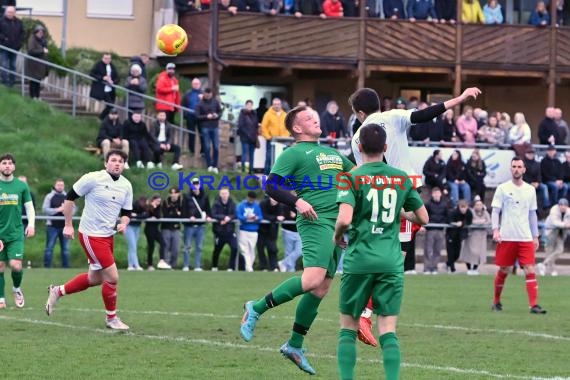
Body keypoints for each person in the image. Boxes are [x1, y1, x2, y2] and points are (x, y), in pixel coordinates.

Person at [348, 86, 481, 347]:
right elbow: (426, 114)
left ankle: (365, 309)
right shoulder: (395, 115)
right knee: (395, 260)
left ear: (360, 113)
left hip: (387, 196)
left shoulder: (357, 138)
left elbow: (368, 173)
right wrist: (460, 98)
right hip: (406, 191)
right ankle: (363, 312)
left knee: (395, 257)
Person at [240, 106, 354, 375]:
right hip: (315, 220)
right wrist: (297, 201)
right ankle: (255, 307)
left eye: (316, 116)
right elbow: (271, 184)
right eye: (309, 117)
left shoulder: (333, 153)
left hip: (335, 224)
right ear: (297, 128)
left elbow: (358, 175)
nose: (316, 119)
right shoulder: (293, 152)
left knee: (320, 289)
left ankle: (294, 345)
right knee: (313, 279)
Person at [333, 124, 428, 380]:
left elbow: (343, 220)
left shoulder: (351, 177)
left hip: (359, 260)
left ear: (360, 147)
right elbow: (423, 217)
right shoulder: (400, 178)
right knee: (387, 328)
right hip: (391, 261)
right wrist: (397, 210)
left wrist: (337, 236)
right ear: (385, 148)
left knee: (348, 327)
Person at [45, 150, 133, 330]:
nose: (117, 164)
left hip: (108, 236)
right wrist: (68, 225)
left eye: (121, 161)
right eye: (113, 160)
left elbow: (126, 212)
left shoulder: (126, 185)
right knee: (113, 277)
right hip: (91, 235)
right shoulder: (93, 178)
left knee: (95, 278)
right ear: (106, 163)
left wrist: (124, 223)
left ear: (124, 165)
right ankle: (111, 319)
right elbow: (70, 198)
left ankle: (58, 291)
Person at [491, 157, 546, 314]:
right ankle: (496, 301)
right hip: (507, 236)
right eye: (514, 166)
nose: (516, 169)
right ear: (511, 169)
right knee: (505, 269)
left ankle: (533, 305)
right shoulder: (502, 188)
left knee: (529, 269)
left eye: (519, 166)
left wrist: (535, 236)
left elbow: (532, 214)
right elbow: (496, 210)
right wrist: (495, 230)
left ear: (524, 169)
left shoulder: (530, 190)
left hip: (525, 237)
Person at [0, 153, 35, 309]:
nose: (7, 165)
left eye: (9, 163)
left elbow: (29, 207)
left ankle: (16, 289)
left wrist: (31, 224)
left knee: (16, 266)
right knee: (0, 266)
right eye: (4, 163)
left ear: (14, 166)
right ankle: (1, 299)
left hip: (15, 234)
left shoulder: (21, 186)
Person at [42, 178, 74, 268]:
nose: (60, 187)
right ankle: (47, 267)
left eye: (62, 185)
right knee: (49, 248)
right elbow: (45, 209)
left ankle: (66, 267)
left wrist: (66, 210)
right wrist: (58, 210)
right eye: (58, 185)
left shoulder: (68, 196)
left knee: (66, 249)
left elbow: (73, 209)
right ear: (55, 186)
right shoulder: (49, 196)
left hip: (65, 227)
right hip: (52, 226)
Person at [182, 177, 211, 271]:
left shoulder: (205, 196)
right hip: (189, 226)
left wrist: (208, 216)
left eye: (197, 184)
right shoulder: (187, 196)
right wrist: (189, 216)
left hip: (200, 225)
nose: (196, 186)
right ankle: (186, 265)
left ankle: (197, 266)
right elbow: (184, 210)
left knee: (199, 246)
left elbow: (208, 209)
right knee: (187, 246)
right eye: (194, 184)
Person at [537, 198, 570, 276]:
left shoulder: (569, 211)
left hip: (562, 232)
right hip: (551, 230)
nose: (562, 207)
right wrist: (565, 224)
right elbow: (555, 223)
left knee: (559, 250)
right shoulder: (554, 210)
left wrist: (566, 225)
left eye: (564, 205)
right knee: (549, 250)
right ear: (558, 205)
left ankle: (542, 264)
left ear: (567, 206)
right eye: (561, 205)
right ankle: (551, 270)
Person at [236, 191, 263, 272]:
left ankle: (249, 266)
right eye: (250, 199)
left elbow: (261, 216)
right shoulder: (241, 205)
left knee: (252, 250)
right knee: (245, 250)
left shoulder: (256, 205)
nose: (251, 201)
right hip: (243, 230)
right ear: (247, 197)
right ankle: (249, 268)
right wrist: (247, 218)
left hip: (254, 231)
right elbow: (239, 215)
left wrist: (256, 218)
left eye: (253, 199)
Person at [89, 53, 119, 121]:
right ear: (102, 58)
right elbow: (92, 74)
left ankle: (104, 119)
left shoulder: (112, 66)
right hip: (102, 89)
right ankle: (101, 118)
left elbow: (117, 77)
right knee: (110, 105)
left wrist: (113, 82)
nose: (107, 60)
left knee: (111, 106)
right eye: (106, 58)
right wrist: (102, 78)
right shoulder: (98, 64)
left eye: (109, 58)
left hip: (110, 89)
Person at [0, 6, 24, 87]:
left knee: (13, 65)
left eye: (12, 12)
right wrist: (3, 39)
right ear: (5, 12)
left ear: (14, 13)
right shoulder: (1, 21)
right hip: (4, 47)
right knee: (4, 65)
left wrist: (19, 44)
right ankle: (5, 81)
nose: (10, 14)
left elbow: (22, 33)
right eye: (9, 12)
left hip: (15, 48)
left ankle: (11, 82)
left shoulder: (19, 22)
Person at [26, 25, 48, 99]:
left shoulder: (43, 40)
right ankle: (32, 96)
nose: (40, 34)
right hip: (33, 64)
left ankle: (37, 96)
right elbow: (31, 50)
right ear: (36, 32)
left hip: (40, 64)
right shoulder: (32, 39)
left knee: (38, 81)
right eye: (39, 32)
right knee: (33, 81)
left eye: (42, 32)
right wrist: (42, 51)